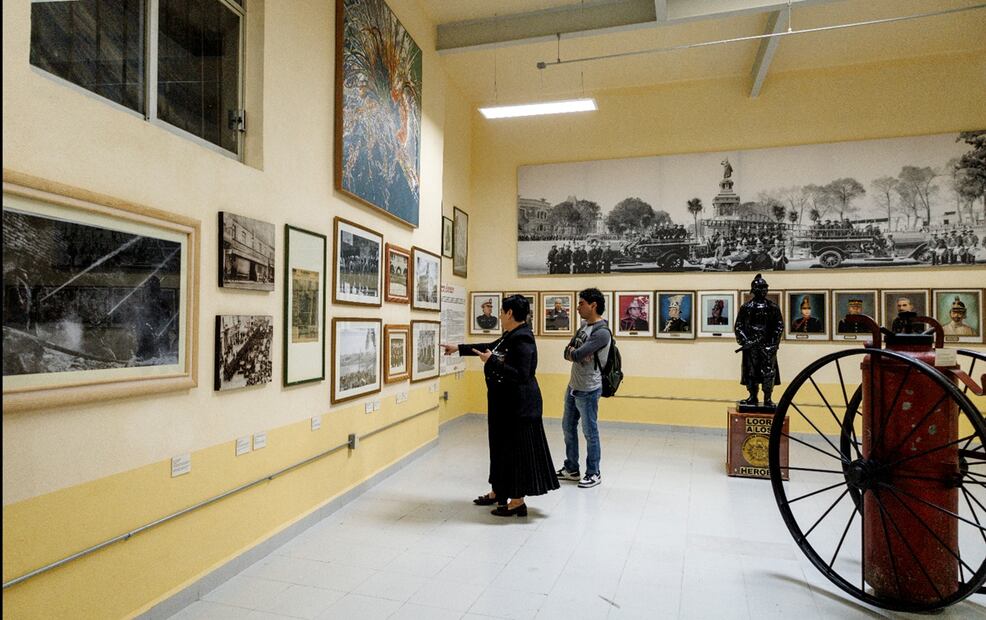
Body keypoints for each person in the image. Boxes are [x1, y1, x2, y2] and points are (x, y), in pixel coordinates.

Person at [442, 295, 559, 516]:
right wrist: (458, 348)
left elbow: (522, 374)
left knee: (515, 452)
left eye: (502, 311)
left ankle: (517, 501)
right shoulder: (510, 335)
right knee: (499, 448)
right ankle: (499, 491)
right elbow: (488, 347)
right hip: (503, 405)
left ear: (509, 314)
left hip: (519, 407)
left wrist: (492, 361)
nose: (499, 316)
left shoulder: (523, 338)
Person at [557, 288, 611, 489]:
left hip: (588, 389)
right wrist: (576, 352)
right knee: (567, 427)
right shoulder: (583, 328)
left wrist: (577, 353)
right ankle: (571, 468)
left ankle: (593, 472)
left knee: (590, 432)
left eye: (581, 303)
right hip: (573, 385)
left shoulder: (602, 332)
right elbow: (567, 351)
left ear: (593, 305)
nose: (578, 307)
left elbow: (578, 355)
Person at [734, 274, 783, 407]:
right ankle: (752, 396)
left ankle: (767, 398)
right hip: (751, 347)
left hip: (767, 346)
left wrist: (773, 344)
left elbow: (779, 326)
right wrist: (745, 341)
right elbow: (738, 326)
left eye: (764, 288)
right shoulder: (747, 307)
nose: (763, 291)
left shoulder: (773, 307)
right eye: (760, 288)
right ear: (754, 290)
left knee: (768, 372)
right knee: (751, 372)